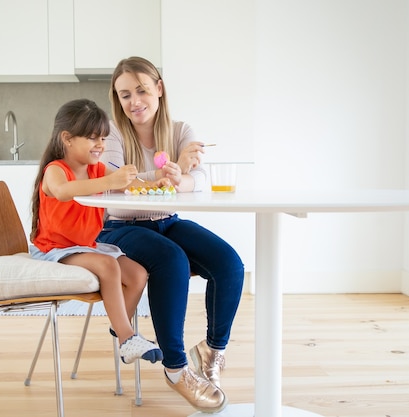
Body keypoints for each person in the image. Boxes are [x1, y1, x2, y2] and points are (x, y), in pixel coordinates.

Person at [97, 56, 245, 413]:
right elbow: (115, 188)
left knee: (229, 264)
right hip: (122, 227)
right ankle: (176, 369)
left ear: (159, 89)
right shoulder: (113, 134)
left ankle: (211, 352)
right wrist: (164, 177)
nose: (134, 102)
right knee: (171, 260)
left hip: (167, 220)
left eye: (142, 90)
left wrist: (182, 178)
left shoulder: (181, 131)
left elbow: (201, 181)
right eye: (125, 94)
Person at [29, 98, 163, 365]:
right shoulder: (56, 170)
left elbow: (129, 184)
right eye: (92, 138)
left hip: (85, 245)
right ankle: (127, 337)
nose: (101, 145)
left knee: (137, 274)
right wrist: (109, 181)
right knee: (109, 266)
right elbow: (62, 191)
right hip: (55, 249)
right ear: (67, 138)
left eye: (102, 138)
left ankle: (120, 326)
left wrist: (153, 184)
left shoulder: (96, 169)